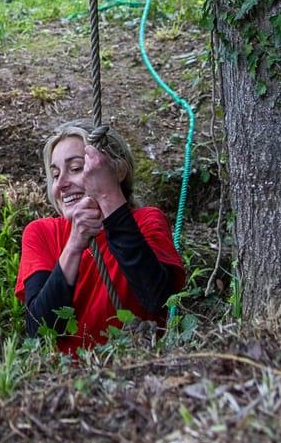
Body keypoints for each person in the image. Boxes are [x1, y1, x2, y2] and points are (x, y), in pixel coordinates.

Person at [16, 119, 185, 353]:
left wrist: (108, 197)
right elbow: (39, 331)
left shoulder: (147, 221)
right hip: (67, 374)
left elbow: (156, 299)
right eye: (55, 174)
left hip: (134, 366)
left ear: (118, 171)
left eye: (76, 169)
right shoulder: (42, 233)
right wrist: (74, 244)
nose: (61, 184)